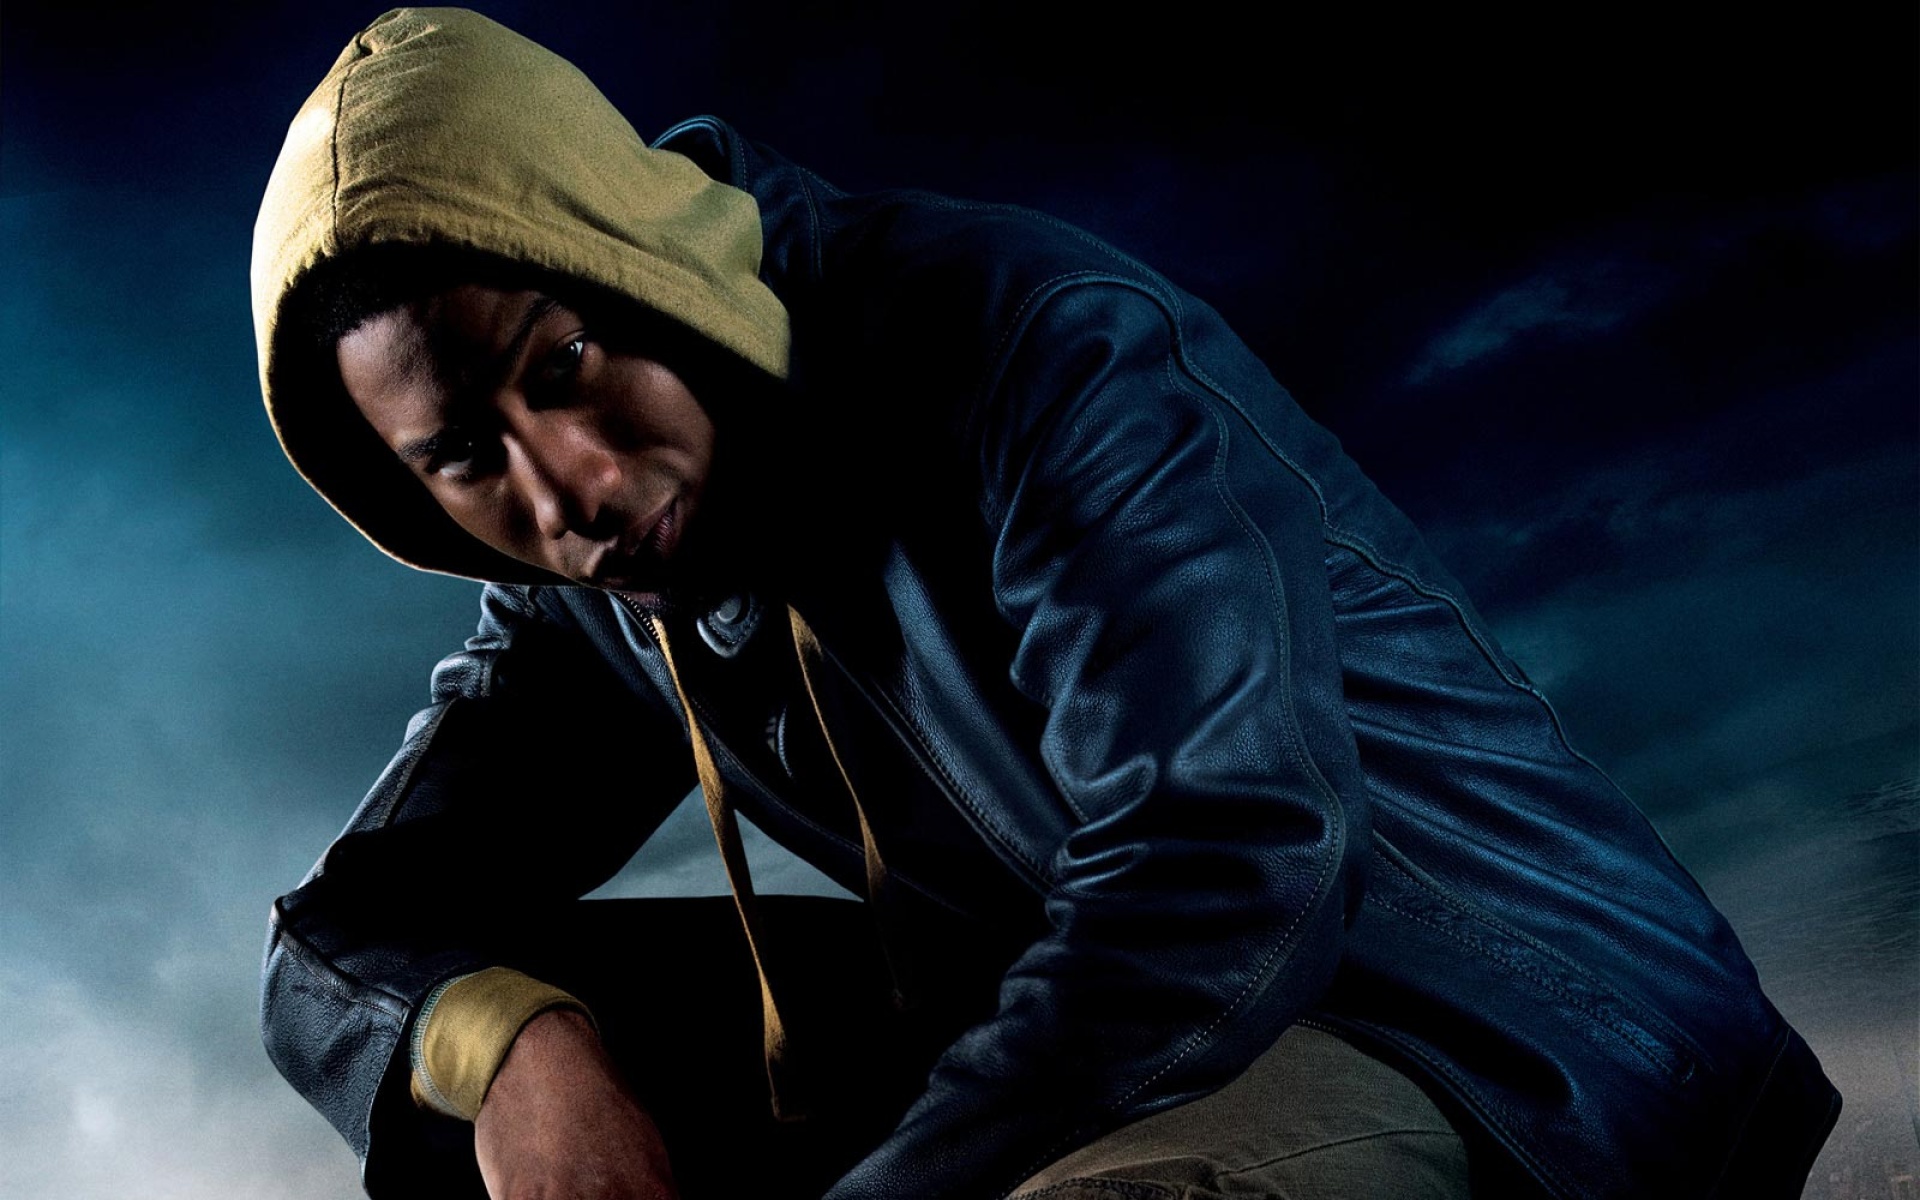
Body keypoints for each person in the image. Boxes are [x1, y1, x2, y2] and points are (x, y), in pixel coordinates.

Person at [250, 9, 1841, 1199]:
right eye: (463, 457)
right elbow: (343, 938)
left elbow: (1227, 863)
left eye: (567, 362)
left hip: (1502, 1030)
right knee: (470, 1047)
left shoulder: (1031, 348)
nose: (569, 490)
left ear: (644, 259)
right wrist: (526, 1059)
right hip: (1090, 1033)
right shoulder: (599, 582)